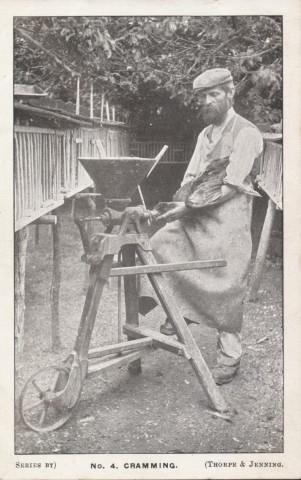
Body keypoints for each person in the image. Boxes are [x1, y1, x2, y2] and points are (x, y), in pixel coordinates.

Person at [139, 67, 263, 385]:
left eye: (214, 94)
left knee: (226, 284)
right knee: (160, 243)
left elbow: (230, 186)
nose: (207, 102)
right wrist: (177, 205)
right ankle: (176, 309)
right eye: (202, 97)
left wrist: (186, 206)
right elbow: (192, 177)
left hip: (229, 221)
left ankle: (230, 356)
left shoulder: (246, 133)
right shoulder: (204, 135)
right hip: (198, 214)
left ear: (230, 94)